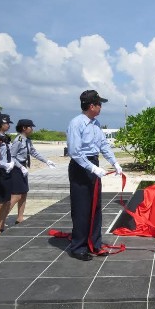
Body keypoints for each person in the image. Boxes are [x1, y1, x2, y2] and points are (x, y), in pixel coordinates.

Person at [66, 90, 122, 261]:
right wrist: (92, 168)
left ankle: (94, 243)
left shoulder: (96, 124)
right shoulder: (77, 123)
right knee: (82, 208)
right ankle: (78, 247)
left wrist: (115, 163)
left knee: (95, 207)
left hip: (92, 164)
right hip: (81, 167)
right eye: (99, 104)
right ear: (92, 106)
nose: (101, 107)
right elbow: (75, 152)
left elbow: (104, 145)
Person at [9, 119, 56, 224]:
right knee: (16, 195)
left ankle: (19, 218)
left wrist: (46, 161)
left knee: (24, 193)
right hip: (17, 168)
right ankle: (1, 220)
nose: (32, 129)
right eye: (30, 127)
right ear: (24, 128)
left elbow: (34, 153)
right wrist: (20, 167)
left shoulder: (27, 140)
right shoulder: (19, 140)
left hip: (23, 168)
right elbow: (12, 157)